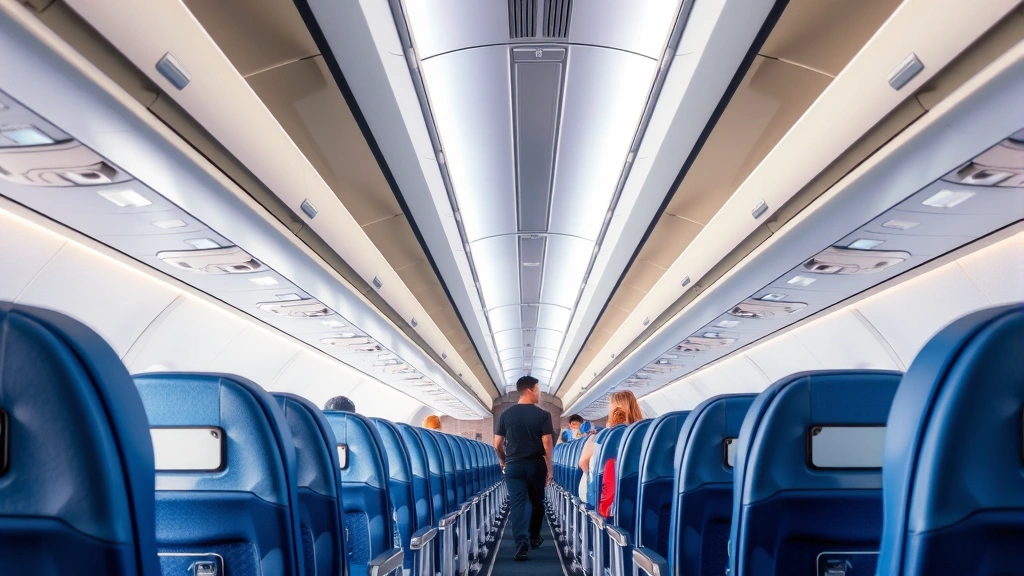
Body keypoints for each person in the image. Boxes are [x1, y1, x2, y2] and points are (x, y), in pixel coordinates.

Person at [494, 376, 554, 562]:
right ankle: (534, 536)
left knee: (518, 503)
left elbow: (497, 444)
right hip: (536, 464)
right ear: (529, 391)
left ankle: (521, 543)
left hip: (513, 465)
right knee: (537, 501)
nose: (539, 393)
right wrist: (549, 467)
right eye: (537, 389)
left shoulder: (505, 414)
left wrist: (504, 461)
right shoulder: (543, 415)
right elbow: (546, 442)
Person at [577, 391, 645, 518]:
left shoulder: (600, 437)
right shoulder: (646, 434)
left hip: (605, 498)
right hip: (639, 498)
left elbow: (582, 462)